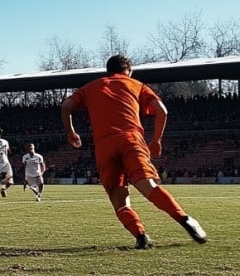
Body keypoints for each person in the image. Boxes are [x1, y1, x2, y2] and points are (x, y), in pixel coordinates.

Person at [60, 54, 207, 249]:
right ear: (129, 70)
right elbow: (162, 110)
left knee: (118, 197)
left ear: (108, 70)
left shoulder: (90, 87)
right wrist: (156, 140)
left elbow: (66, 106)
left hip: (104, 145)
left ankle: (141, 236)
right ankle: (184, 219)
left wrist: (71, 132)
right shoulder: (135, 84)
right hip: (131, 139)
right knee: (148, 185)